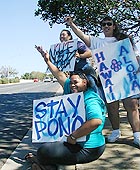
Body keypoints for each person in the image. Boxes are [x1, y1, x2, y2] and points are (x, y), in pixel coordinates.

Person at [25, 45, 106, 170]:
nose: (73, 85)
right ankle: (45, 165)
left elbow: (95, 121)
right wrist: (47, 60)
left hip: (89, 149)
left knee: (43, 151)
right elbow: (58, 74)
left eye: (76, 82)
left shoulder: (90, 98)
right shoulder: (72, 89)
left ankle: (41, 164)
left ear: (85, 82)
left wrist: (74, 136)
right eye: (71, 82)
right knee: (46, 146)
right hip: (74, 143)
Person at [64, 16, 140, 147]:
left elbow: (136, 56)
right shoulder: (98, 42)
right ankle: (116, 132)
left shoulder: (124, 41)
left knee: (132, 107)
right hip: (110, 82)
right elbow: (82, 36)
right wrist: (71, 24)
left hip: (127, 80)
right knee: (112, 107)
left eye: (109, 24)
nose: (106, 26)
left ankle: (137, 135)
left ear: (114, 26)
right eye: (103, 24)